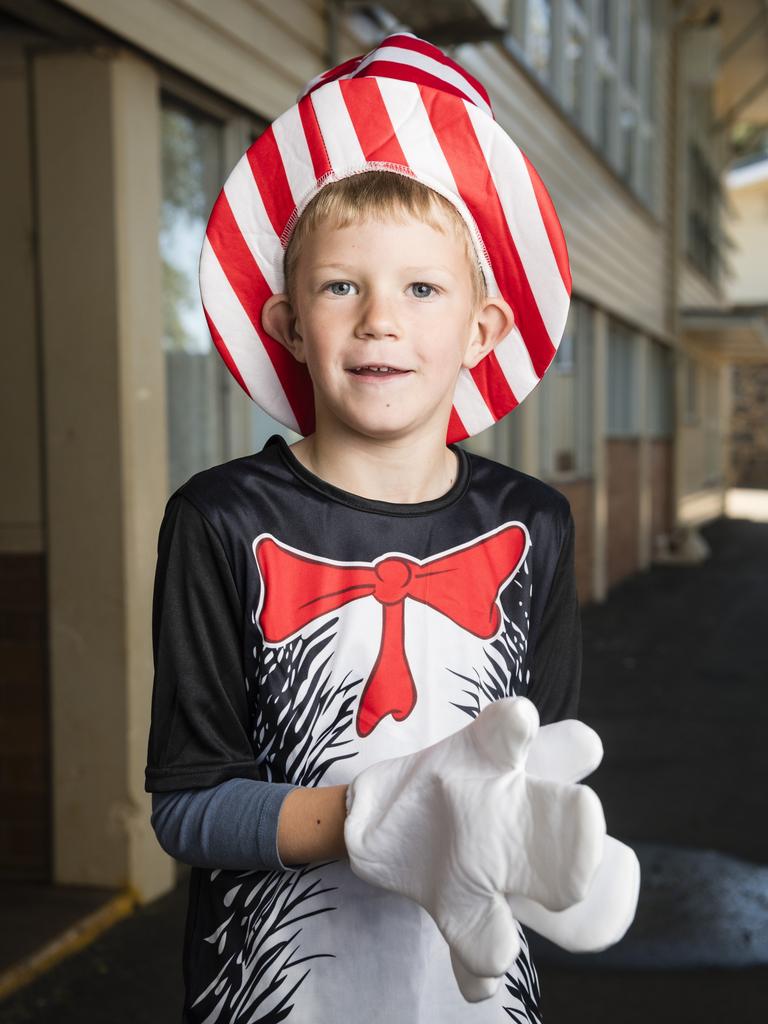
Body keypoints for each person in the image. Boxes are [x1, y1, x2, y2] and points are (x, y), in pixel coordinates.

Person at [144, 32, 638, 1024]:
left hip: (476, 999)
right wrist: (378, 820)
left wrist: (545, 851)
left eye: (422, 288)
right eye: (342, 286)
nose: (380, 320)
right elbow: (188, 807)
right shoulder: (218, 520)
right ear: (288, 323)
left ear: (481, 329)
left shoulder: (533, 524)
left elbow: (544, 757)